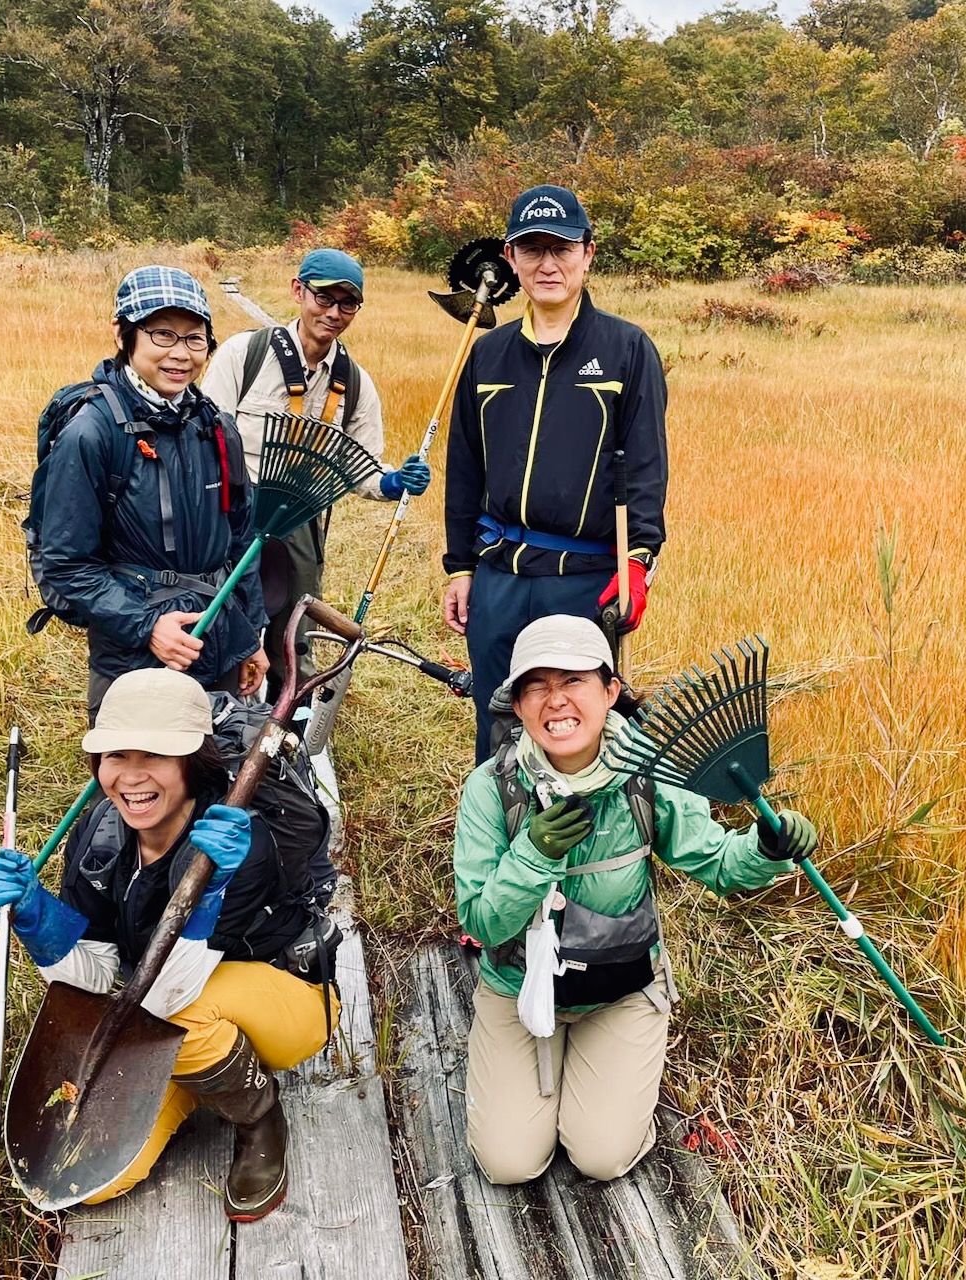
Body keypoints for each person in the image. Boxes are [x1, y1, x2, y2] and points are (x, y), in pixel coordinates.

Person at [453, 615, 817, 1186]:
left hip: (621, 983)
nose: (556, 701)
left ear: (610, 691)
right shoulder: (490, 788)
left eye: (573, 681)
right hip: (518, 984)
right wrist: (532, 855)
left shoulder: (650, 775)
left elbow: (719, 863)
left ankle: (611, 1076)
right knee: (507, 1163)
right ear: (518, 705)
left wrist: (769, 847)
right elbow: (480, 920)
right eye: (537, 686)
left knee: (600, 1155)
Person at [0, 667, 336, 1220]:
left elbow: (166, 997)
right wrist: (35, 916)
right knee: (89, 1181)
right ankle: (201, 1079)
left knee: (184, 1015)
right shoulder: (101, 831)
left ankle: (258, 1117)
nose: (130, 776)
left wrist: (210, 890)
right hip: (169, 999)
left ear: (193, 761)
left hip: (286, 1001)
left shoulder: (239, 842)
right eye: (116, 755)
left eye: (155, 756)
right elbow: (95, 979)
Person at [442, 186, 669, 762]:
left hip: (583, 578)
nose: (548, 264)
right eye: (532, 249)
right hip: (498, 576)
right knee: (498, 719)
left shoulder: (626, 350)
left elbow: (645, 466)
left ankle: (587, 842)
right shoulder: (487, 354)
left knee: (578, 730)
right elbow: (464, 467)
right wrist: (461, 565)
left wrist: (638, 562)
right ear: (512, 260)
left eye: (562, 248)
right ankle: (504, 842)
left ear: (587, 254)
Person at [38, 265, 268, 719]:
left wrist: (249, 636)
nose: (180, 354)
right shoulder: (92, 432)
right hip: (134, 658)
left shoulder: (216, 428)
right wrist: (148, 627)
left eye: (194, 338)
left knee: (214, 770)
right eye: (162, 334)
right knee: (140, 782)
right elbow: (64, 564)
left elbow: (241, 542)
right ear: (125, 334)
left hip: (215, 639)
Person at [200, 248, 430, 696]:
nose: (334, 312)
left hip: (299, 521)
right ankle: (221, 713)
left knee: (294, 627)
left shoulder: (356, 383)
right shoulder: (246, 355)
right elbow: (205, 436)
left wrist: (392, 481)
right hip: (233, 512)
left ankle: (293, 721)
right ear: (298, 291)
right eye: (324, 298)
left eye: (348, 303)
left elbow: (360, 466)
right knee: (224, 615)